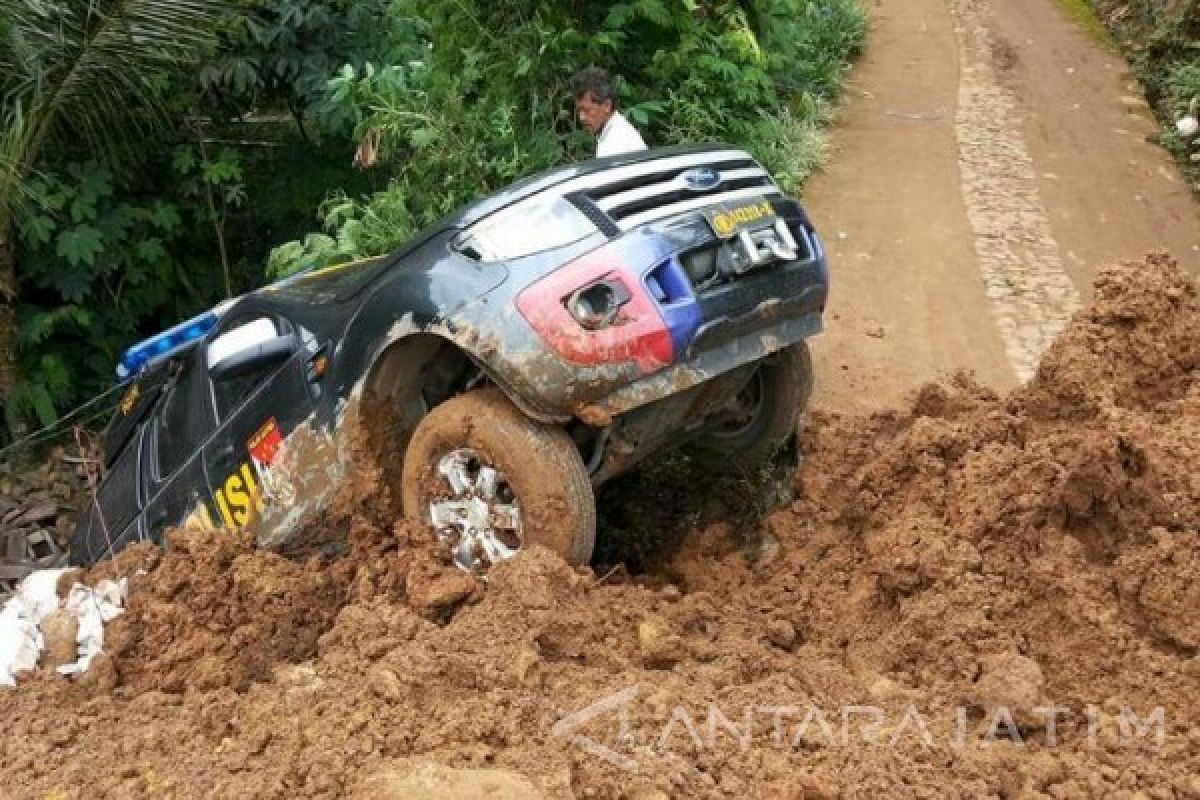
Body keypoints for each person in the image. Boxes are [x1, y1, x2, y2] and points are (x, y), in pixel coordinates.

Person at [570, 67, 648, 158]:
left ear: (607, 105)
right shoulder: (616, 131)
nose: (581, 117)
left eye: (587, 110)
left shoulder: (616, 142)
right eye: (579, 110)